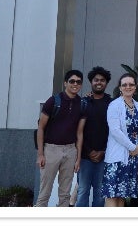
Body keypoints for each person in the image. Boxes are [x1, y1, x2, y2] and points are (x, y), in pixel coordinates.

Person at [35, 69, 86, 206]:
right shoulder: (53, 101)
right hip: (51, 150)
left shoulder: (81, 104)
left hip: (70, 151)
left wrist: (78, 158)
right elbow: (41, 128)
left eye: (78, 82)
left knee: (65, 194)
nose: (75, 84)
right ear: (65, 83)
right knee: (44, 192)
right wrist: (40, 154)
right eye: (72, 81)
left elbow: (80, 133)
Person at [102, 73, 138, 206]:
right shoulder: (114, 105)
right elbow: (115, 131)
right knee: (112, 195)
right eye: (124, 84)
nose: (128, 87)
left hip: (132, 158)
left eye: (131, 84)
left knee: (122, 197)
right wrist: (132, 147)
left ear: (135, 87)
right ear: (120, 88)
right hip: (117, 157)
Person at [75, 67, 114, 205]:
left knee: (100, 192)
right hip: (85, 156)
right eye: (96, 80)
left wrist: (103, 151)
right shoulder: (83, 103)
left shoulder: (112, 104)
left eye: (102, 80)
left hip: (105, 156)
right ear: (91, 82)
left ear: (106, 83)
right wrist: (89, 151)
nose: (99, 82)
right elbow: (78, 131)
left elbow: (114, 132)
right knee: (82, 191)